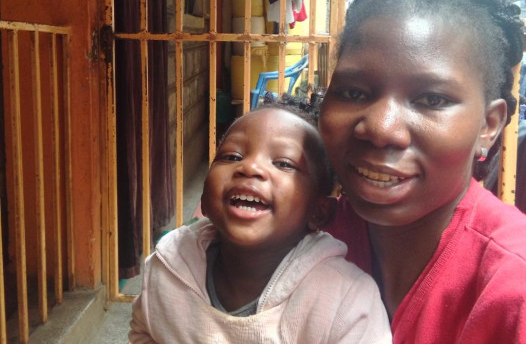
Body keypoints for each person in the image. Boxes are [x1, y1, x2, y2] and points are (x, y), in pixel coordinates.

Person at [318, 0, 526, 343]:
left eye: (432, 100)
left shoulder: (513, 286)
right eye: (353, 92)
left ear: (489, 125)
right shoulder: (298, 236)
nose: (380, 128)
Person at [129, 103, 392, 343]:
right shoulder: (169, 266)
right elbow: (145, 332)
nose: (250, 167)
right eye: (232, 157)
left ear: (319, 212)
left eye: (284, 163)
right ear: (205, 200)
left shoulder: (345, 303)